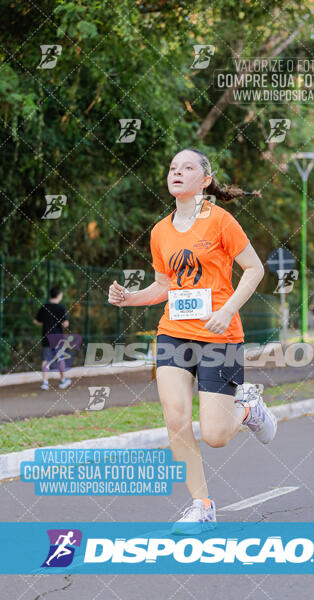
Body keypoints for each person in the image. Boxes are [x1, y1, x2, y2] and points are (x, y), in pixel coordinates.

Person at [108, 148, 277, 533]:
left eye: (187, 167)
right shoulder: (160, 231)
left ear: (205, 180)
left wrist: (226, 310)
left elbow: (254, 269)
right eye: (172, 167)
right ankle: (202, 505)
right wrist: (130, 297)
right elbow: (165, 286)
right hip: (173, 334)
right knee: (176, 420)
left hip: (221, 335)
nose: (176, 172)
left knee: (216, 436)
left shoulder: (220, 221)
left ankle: (247, 409)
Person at [33, 286, 71, 390]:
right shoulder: (61, 308)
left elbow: (36, 321)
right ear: (59, 295)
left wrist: (46, 323)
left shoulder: (44, 307)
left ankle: (45, 382)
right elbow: (65, 324)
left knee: (45, 359)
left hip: (46, 336)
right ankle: (63, 380)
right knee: (60, 358)